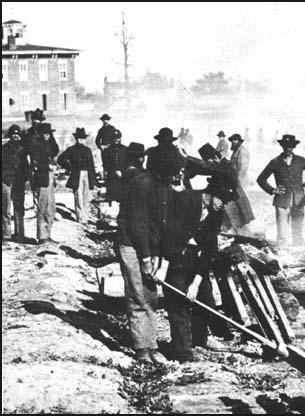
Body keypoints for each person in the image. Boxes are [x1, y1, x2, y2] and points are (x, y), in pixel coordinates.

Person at [114, 148, 187, 365]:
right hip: (130, 243)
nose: (179, 176)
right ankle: (141, 349)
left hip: (148, 245)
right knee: (137, 295)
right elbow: (139, 225)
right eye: (176, 172)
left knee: (150, 295)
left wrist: (157, 256)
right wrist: (146, 258)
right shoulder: (141, 184)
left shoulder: (165, 188)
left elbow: (160, 226)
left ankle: (152, 344)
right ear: (165, 169)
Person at [159, 172, 239, 363]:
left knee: (206, 301)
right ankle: (183, 353)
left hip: (194, 258)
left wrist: (196, 282)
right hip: (174, 256)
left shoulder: (216, 213)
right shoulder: (185, 199)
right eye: (222, 199)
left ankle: (199, 340)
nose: (223, 204)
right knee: (179, 304)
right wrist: (163, 266)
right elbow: (169, 235)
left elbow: (210, 249)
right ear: (211, 192)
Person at [257, 134, 305, 248]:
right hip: (281, 200)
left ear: (294, 147)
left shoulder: (300, 161)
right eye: (286, 146)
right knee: (282, 230)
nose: (288, 148)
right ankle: (282, 251)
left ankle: (298, 250)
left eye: (291, 146)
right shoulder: (275, 162)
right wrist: (273, 190)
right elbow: (261, 179)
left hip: (299, 199)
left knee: (297, 228)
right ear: (282, 146)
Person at [199, 143, 254, 234]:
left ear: (215, 158)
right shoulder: (222, 165)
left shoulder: (224, 166)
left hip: (232, 199)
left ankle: (247, 239)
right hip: (229, 198)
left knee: (237, 225)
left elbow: (224, 184)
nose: (209, 165)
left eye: (209, 162)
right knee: (232, 224)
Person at [26, 123, 59, 244]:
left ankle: (48, 234)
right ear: (40, 134)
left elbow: (56, 150)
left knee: (51, 208)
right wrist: (48, 166)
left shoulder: (49, 144)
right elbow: (34, 164)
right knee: (43, 207)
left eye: (49, 133)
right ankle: (42, 236)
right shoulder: (36, 146)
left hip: (49, 178)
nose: (47, 136)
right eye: (45, 133)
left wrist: (52, 137)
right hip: (41, 178)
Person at [58, 128, 97, 225]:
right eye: (79, 138)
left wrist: (93, 180)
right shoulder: (72, 149)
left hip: (87, 174)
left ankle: (86, 217)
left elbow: (91, 165)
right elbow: (61, 159)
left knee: (86, 196)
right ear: (76, 139)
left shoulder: (88, 150)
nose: (81, 140)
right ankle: (80, 218)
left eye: (82, 138)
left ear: (85, 139)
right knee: (78, 196)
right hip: (77, 174)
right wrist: (70, 167)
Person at [2, 125, 28, 242]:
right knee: (5, 209)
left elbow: (26, 166)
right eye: (13, 134)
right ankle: (6, 235)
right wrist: (4, 177)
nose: (16, 136)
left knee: (19, 208)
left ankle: (19, 234)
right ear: (10, 136)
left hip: (19, 181)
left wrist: (25, 179)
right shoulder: (4, 149)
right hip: (6, 181)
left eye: (18, 134)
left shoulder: (23, 150)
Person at [102, 129, 127, 204]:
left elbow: (126, 162)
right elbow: (106, 164)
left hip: (122, 176)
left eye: (118, 138)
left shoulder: (125, 149)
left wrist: (122, 172)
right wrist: (114, 171)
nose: (116, 140)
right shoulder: (107, 150)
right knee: (111, 195)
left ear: (120, 138)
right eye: (114, 138)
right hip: (112, 175)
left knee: (122, 196)